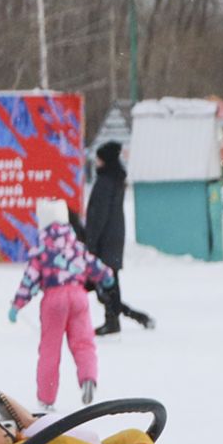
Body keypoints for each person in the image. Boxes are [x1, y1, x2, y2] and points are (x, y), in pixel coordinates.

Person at [11, 198, 114, 410]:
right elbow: (94, 265)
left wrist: (17, 305)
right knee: (84, 342)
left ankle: (46, 400)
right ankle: (88, 378)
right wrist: (106, 276)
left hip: (53, 299)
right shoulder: (75, 247)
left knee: (50, 349)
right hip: (78, 296)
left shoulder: (41, 251)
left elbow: (29, 280)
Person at [83, 141, 154, 335]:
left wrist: (91, 244)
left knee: (104, 286)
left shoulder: (105, 182)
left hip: (104, 241)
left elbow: (99, 216)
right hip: (112, 239)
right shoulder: (114, 179)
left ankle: (117, 320)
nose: (96, 162)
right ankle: (121, 318)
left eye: (98, 158)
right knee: (106, 284)